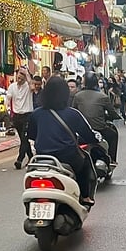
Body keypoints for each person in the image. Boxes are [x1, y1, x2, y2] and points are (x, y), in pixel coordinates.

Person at [27, 77, 98, 206]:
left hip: (42, 157)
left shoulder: (36, 114)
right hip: (68, 157)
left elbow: (31, 135)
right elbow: (88, 135)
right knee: (85, 162)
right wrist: (94, 140)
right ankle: (85, 196)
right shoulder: (73, 114)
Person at [72, 72, 119, 164]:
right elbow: (112, 113)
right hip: (99, 128)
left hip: (81, 130)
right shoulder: (103, 96)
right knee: (113, 135)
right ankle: (111, 160)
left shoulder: (78, 96)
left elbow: (74, 111)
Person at [5, 67, 34, 169]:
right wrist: (7, 110)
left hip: (27, 115)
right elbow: (8, 99)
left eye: (22, 78)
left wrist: (27, 74)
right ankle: (31, 156)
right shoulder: (12, 87)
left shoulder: (28, 87)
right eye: (18, 78)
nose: (19, 80)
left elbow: (33, 87)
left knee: (24, 137)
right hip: (16, 116)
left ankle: (20, 159)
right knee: (23, 139)